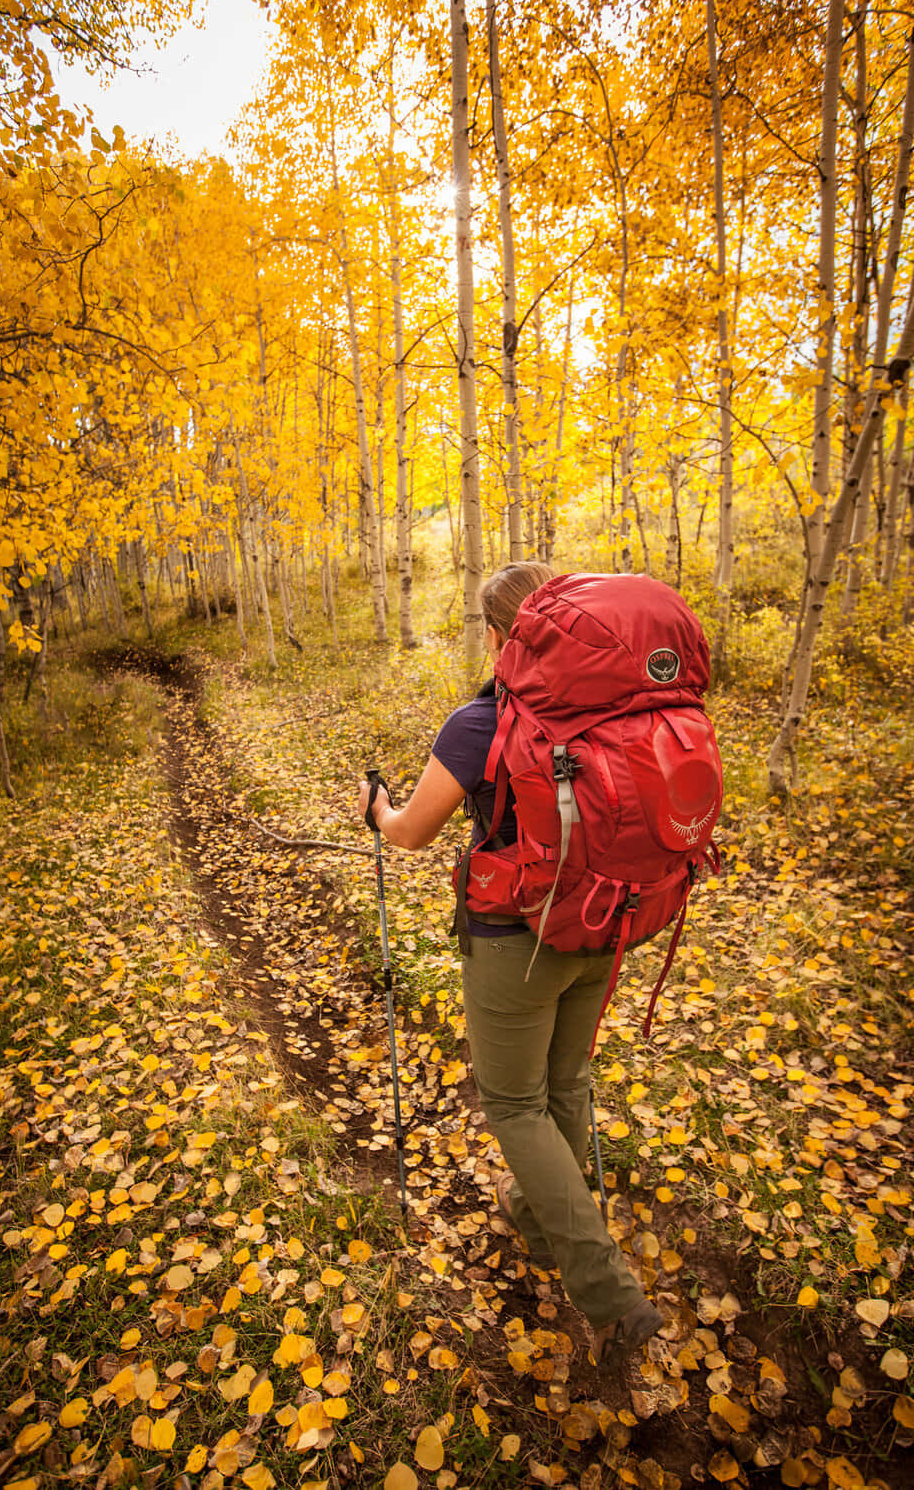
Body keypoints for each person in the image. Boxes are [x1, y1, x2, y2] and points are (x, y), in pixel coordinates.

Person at [356, 562, 664, 1365]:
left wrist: (376, 810)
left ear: (500, 637)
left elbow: (412, 832)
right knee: (562, 1088)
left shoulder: (480, 721)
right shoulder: (622, 710)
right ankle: (539, 1223)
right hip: (611, 922)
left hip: (515, 939)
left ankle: (610, 1297)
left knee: (515, 1105)